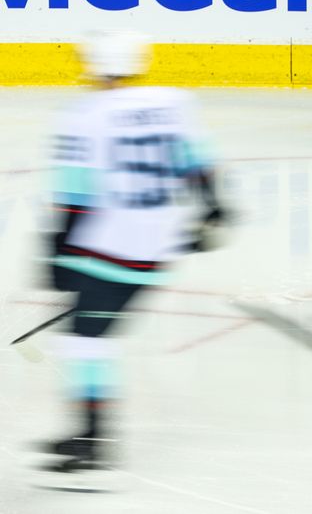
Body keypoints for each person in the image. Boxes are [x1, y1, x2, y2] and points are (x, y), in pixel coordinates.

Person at [38, 30, 225, 486]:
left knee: (85, 340)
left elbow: (75, 198)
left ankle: (92, 440)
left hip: (110, 247)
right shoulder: (172, 102)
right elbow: (198, 165)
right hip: (156, 247)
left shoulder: (87, 115)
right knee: (88, 332)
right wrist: (213, 212)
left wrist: (56, 255)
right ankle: (89, 435)